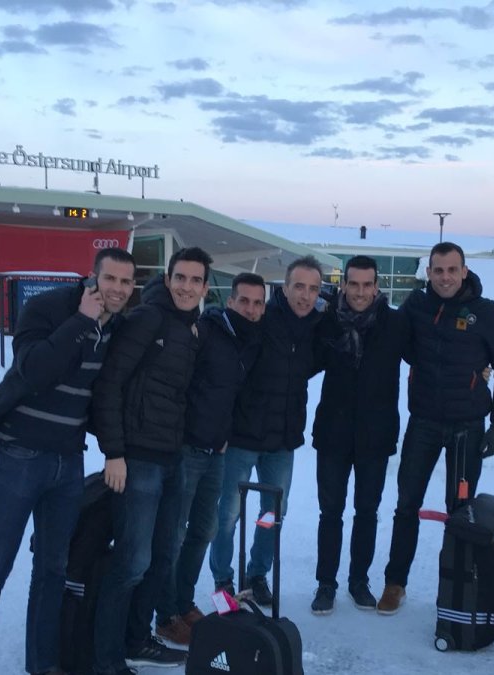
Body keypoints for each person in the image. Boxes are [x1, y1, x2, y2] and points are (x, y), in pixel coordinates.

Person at [0, 248, 136, 675]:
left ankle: (43, 664)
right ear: (92, 278)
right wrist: (80, 322)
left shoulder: (117, 329)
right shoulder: (47, 308)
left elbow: (106, 394)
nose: (118, 289)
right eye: (110, 279)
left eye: (127, 282)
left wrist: (115, 449)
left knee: (53, 569)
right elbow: (33, 371)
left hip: (67, 463)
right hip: (19, 456)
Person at [375, 241, 494, 615]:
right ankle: (395, 583)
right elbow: (399, 344)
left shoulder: (486, 313)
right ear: (429, 273)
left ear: (464, 271)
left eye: (452, 270)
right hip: (423, 422)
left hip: (467, 429)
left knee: (460, 511)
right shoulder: (417, 306)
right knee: (406, 504)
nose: (444, 277)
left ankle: (455, 585)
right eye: (437, 270)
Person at [90, 247, 212, 675]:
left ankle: (138, 639)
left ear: (205, 287)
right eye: (180, 277)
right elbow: (110, 385)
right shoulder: (147, 319)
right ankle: (106, 658)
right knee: (131, 562)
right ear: (167, 277)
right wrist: (114, 453)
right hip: (136, 460)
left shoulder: (191, 327)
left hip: (171, 457)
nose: (186, 286)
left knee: (164, 556)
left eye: (195, 280)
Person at [154, 272, 266, 645]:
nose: (250, 309)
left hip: (217, 450)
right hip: (187, 449)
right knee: (174, 534)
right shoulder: (206, 331)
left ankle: (184, 603)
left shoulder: (248, 340)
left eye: (257, 303)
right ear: (230, 301)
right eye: (244, 301)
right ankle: (165, 614)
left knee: (204, 531)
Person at [209, 256, 325, 606]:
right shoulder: (262, 318)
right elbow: (227, 330)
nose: (305, 295)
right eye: (299, 287)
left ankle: (256, 574)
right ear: (285, 287)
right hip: (242, 437)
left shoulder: (316, 327)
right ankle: (222, 580)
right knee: (228, 514)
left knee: (272, 514)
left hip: (281, 442)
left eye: (313, 289)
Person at [309, 255, 410, 615]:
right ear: (344, 284)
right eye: (354, 284)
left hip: (375, 436)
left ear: (377, 286)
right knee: (330, 512)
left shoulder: (396, 324)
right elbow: (300, 360)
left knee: (367, 511)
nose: (361, 292)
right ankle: (326, 583)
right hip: (333, 433)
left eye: (368, 285)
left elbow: (431, 356)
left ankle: (358, 581)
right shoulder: (328, 323)